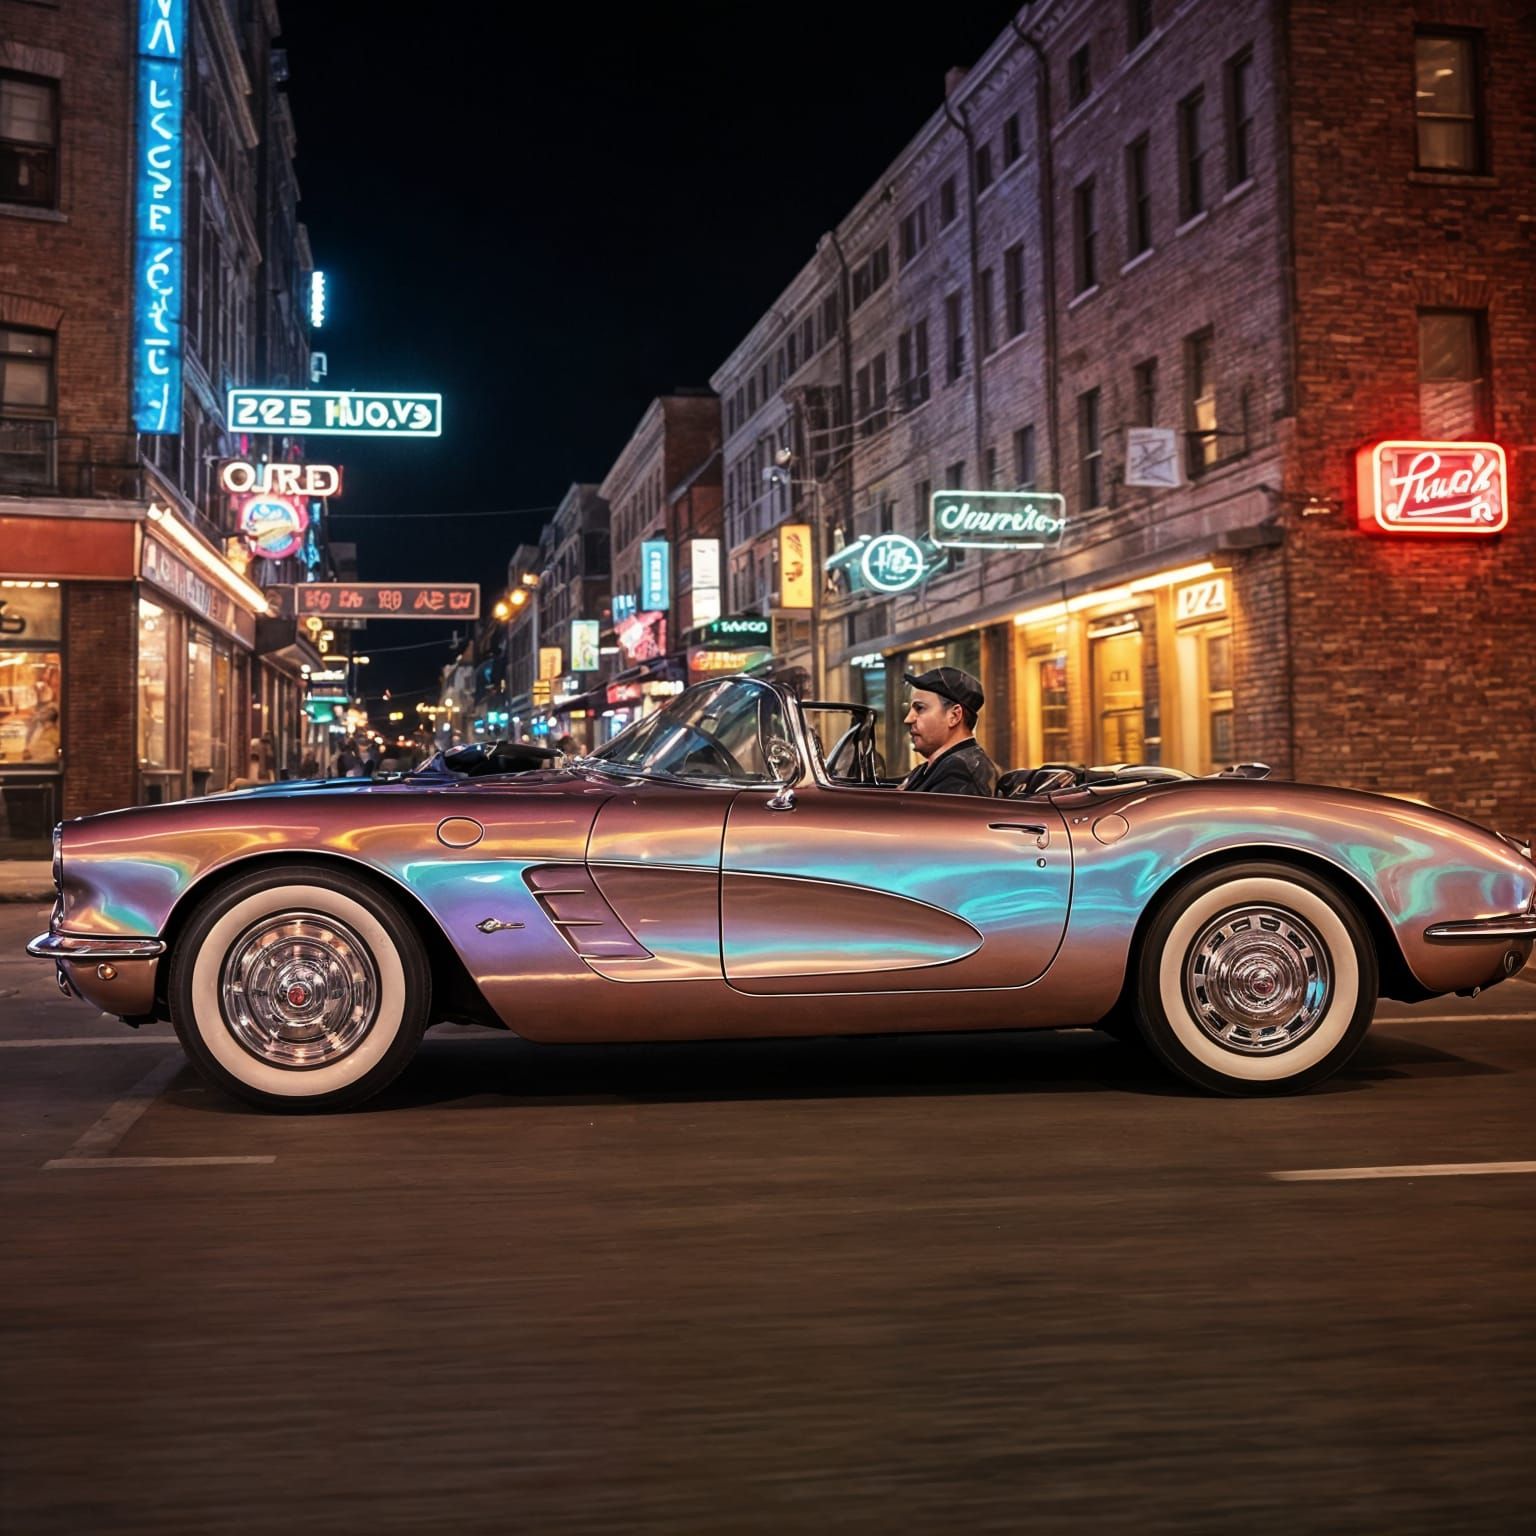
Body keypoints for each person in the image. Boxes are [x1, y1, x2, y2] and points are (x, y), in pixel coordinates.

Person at [900, 666, 998, 796]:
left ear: (954, 716)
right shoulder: (934, 768)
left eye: (920, 708)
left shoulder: (960, 773)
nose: (908, 719)